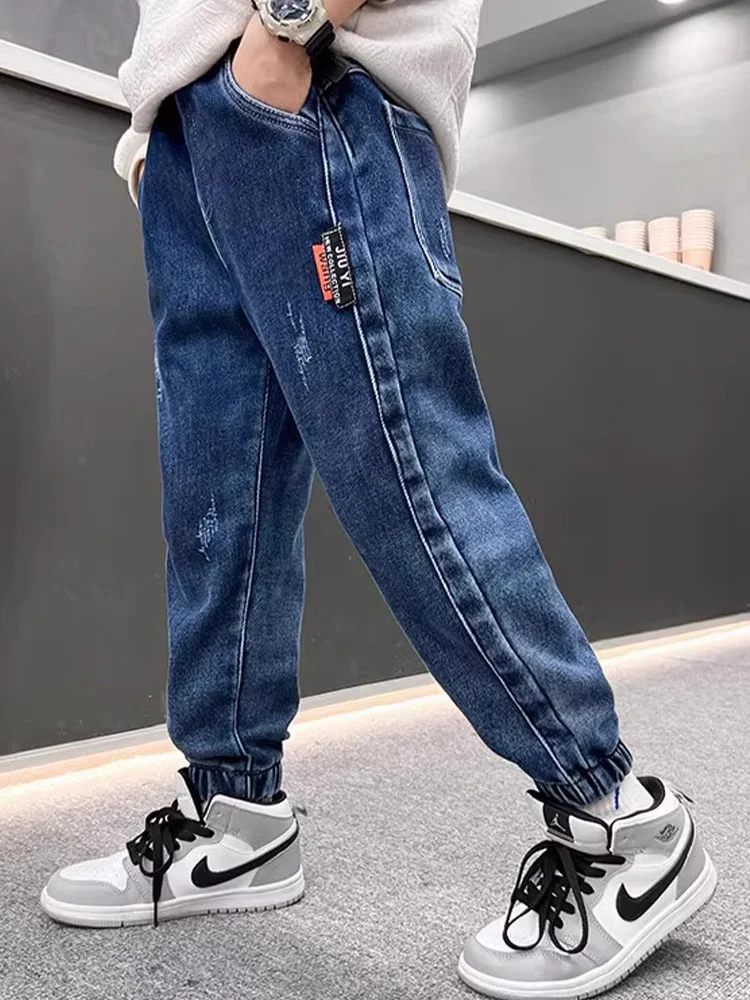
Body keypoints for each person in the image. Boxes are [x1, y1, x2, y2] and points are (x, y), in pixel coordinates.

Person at [41, 1, 717, 996]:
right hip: (191, 132)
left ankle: (623, 820)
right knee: (218, 505)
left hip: (312, 87)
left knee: (409, 484)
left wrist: (292, 27)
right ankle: (238, 818)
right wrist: (158, 135)